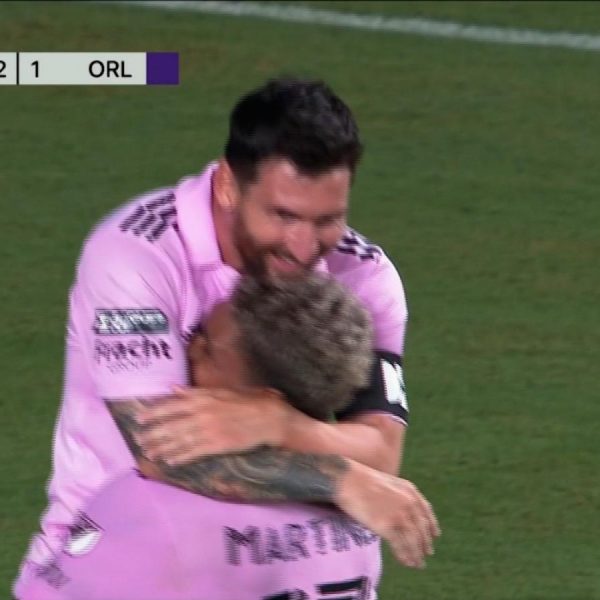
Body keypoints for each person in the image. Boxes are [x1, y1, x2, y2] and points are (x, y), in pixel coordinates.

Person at [15, 76, 438, 597]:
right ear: (227, 186)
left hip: (273, 557)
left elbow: (381, 455)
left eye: (328, 220)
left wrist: (281, 424)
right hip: (117, 557)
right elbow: (161, 453)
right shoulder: (139, 255)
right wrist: (338, 478)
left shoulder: (365, 275)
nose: (305, 248)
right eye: (283, 215)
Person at [22, 274, 415, 600]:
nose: (186, 349)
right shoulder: (362, 508)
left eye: (207, 348)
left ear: (264, 401)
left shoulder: (152, 505)